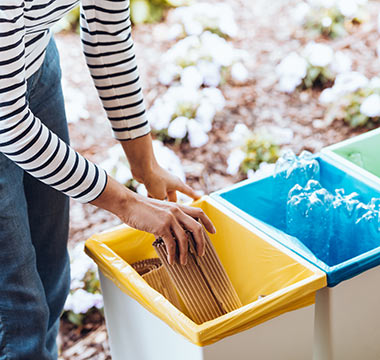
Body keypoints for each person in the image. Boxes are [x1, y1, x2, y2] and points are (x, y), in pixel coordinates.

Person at [0, 0, 216, 358]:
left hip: (31, 62)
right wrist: (128, 204)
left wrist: (145, 166)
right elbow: (10, 125)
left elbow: (106, 34)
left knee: (50, 273)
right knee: (18, 310)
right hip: (7, 110)